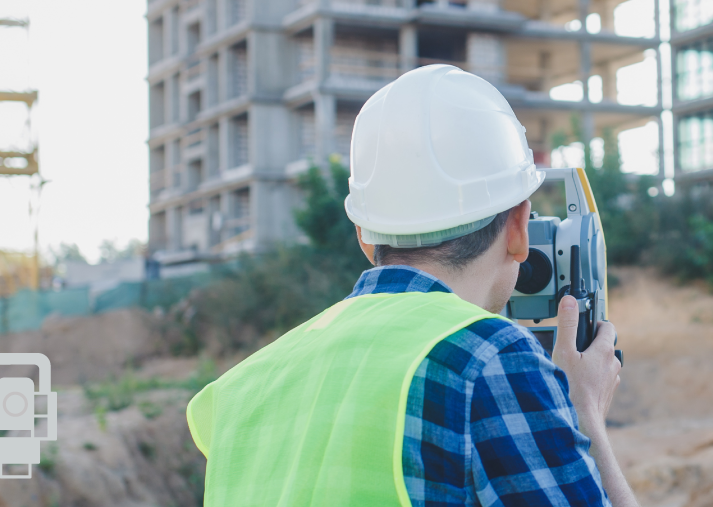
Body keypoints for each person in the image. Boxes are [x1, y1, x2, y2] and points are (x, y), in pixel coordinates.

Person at [186, 65, 634, 507]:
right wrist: (585, 418)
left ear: (364, 234)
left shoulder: (239, 392)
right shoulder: (489, 360)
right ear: (518, 227)